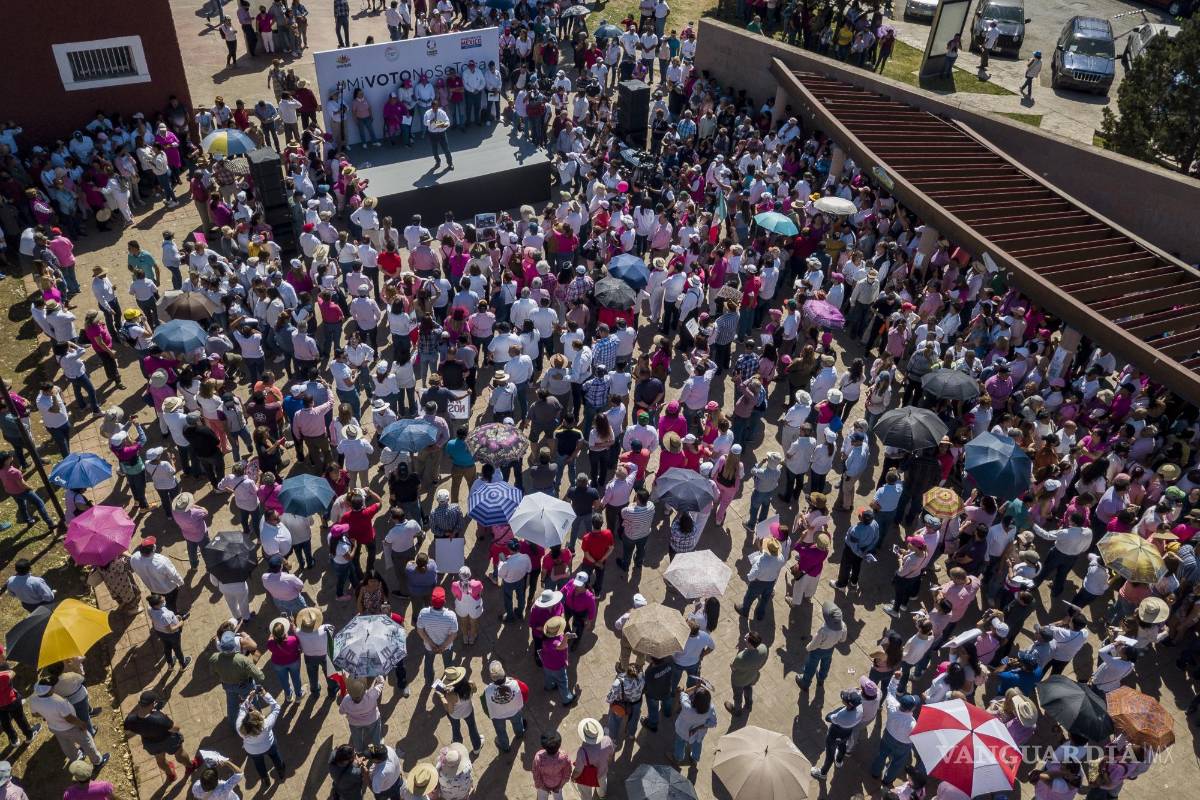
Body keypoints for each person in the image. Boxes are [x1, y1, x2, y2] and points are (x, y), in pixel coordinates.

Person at [122, 691, 193, 785]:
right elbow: (175, 729)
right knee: (179, 754)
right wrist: (165, 716)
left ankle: (170, 775)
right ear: (152, 704)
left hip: (151, 744)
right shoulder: (159, 718)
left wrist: (142, 729)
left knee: (160, 760)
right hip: (169, 740)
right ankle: (190, 766)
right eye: (155, 702)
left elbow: (128, 733)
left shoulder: (130, 719)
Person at [671, 680, 717, 766]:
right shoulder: (710, 708)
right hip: (698, 734)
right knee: (697, 745)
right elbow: (713, 723)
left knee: (680, 744)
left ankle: (678, 759)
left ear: (695, 699)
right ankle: (695, 759)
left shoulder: (686, 706)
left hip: (682, 731)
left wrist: (696, 687)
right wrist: (700, 726)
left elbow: (683, 693)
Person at [725, 630, 769, 716]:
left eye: (746, 639)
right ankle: (749, 704)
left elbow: (734, 668)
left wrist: (731, 665)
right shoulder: (764, 648)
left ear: (749, 644)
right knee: (748, 688)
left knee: (737, 696)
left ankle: (737, 711)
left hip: (739, 680)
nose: (745, 639)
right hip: (752, 676)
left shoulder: (741, 657)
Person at [571, 718, 614, 800]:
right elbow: (610, 757)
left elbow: (578, 771)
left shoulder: (582, 752)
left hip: (588, 778)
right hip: (602, 772)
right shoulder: (607, 740)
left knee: (585, 793)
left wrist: (573, 777)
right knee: (602, 784)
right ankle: (602, 796)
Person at [531, 729, 572, 800]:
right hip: (558, 783)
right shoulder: (564, 757)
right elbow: (567, 773)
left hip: (543, 785)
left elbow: (536, 774)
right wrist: (560, 786)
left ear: (544, 746)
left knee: (542, 798)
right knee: (558, 797)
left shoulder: (538, 757)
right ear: (559, 745)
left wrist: (542, 787)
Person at [424, 99, 454, 170]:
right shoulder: (427, 113)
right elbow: (425, 123)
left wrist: (442, 125)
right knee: (434, 150)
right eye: (434, 108)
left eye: (436, 107)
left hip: (441, 133)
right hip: (432, 134)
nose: (435, 109)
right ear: (431, 107)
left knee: (446, 149)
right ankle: (438, 162)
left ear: (438, 106)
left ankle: (450, 163)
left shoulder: (442, 112)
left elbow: (448, 122)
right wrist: (431, 121)